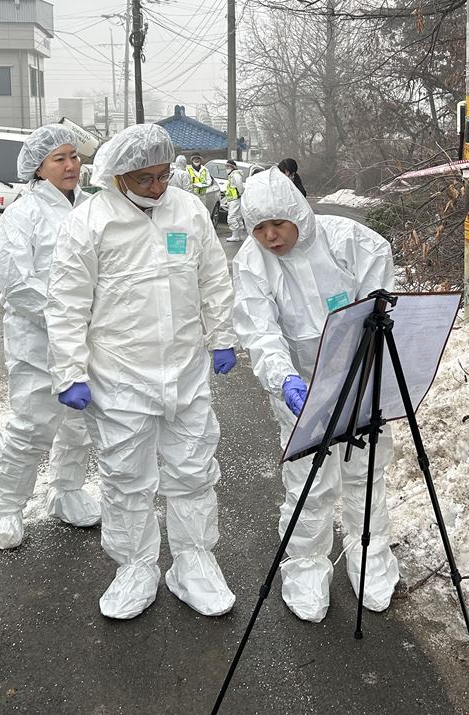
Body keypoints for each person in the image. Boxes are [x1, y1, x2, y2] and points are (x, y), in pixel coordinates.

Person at [45, 124, 238, 620]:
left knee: (193, 471)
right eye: (146, 178)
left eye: (164, 175)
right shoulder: (90, 222)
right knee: (127, 477)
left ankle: (193, 561)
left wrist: (221, 337)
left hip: (185, 368)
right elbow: (66, 303)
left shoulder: (188, 210)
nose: (158, 187)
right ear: (118, 175)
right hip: (119, 374)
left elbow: (213, 276)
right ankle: (135, 567)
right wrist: (70, 371)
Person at [232, 166, 398, 623]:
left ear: (298, 216)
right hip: (301, 390)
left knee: (366, 472)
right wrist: (283, 378)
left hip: (362, 377)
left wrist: (372, 343)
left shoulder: (345, 239)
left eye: (277, 224)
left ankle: (370, 553)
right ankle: (305, 564)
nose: (270, 236)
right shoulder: (252, 261)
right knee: (310, 481)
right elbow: (260, 330)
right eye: (259, 228)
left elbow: (380, 289)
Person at [0, 124, 100, 550]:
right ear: (38, 169)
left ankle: (66, 491)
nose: (72, 165)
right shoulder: (23, 215)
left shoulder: (91, 208)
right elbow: (16, 283)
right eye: (60, 159)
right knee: (32, 425)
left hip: (86, 340)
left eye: (74, 156)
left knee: (79, 423)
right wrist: (68, 315)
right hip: (37, 342)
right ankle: (7, 506)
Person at [224, 159, 247, 243]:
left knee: (232, 217)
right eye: (226, 166)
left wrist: (240, 193)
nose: (227, 168)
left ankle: (235, 235)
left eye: (228, 166)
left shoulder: (235, 175)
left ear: (233, 167)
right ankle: (239, 235)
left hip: (235, 199)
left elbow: (239, 186)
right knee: (237, 217)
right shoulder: (232, 175)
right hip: (233, 199)